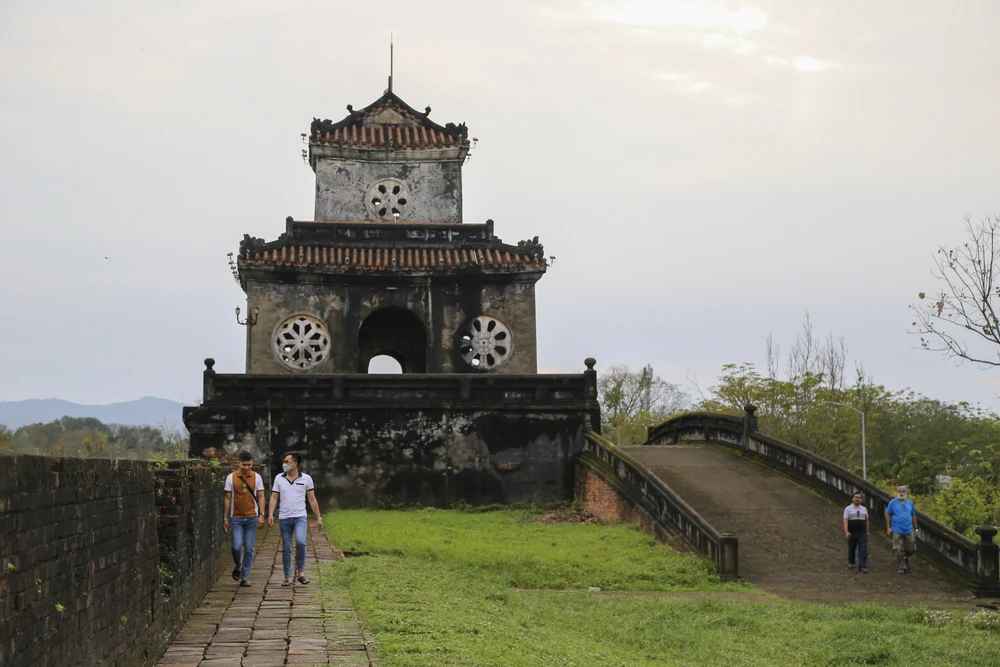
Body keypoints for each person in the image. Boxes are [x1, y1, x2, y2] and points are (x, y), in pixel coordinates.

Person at [268, 451, 323, 586]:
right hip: (284, 517)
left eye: (287, 462)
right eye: (284, 462)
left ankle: (301, 572)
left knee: (301, 542)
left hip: (300, 516)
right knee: (286, 547)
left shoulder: (306, 479)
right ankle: (287, 576)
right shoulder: (279, 478)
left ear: (295, 463)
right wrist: (269, 514)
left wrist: (318, 517)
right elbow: (274, 497)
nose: (284, 465)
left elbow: (312, 499)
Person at [223, 451, 265, 587]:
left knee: (249, 548)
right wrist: (225, 517)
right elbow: (228, 498)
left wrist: (262, 514)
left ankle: (245, 577)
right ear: (238, 463)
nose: (247, 467)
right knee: (236, 546)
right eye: (244, 465)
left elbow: (261, 496)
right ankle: (238, 565)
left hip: (252, 517)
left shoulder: (257, 477)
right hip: (237, 517)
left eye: (249, 465)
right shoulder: (231, 478)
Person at [885, 485, 920, 575]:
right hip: (896, 529)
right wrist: (888, 527)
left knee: (912, 547)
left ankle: (906, 557)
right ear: (897, 493)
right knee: (897, 548)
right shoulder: (892, 503)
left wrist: (916, 528)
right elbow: (888, 514)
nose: (901, 493)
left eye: (903, 492)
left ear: (906, 493)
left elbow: (913, 515)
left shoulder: (910, 503)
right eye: (899, 491)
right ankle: (902, 566)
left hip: (909, 529)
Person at [843, 491, 870, 573]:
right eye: (856, 497)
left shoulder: (864, 509)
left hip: (862, 532)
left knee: (863, 549)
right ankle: (851, 561)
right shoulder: (848, 509)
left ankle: (862, 566)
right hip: (852, 532)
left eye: (859, 497)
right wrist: (846, 531)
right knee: (852, 547)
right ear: (852, 499)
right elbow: (845, 520)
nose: (857, 499)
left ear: (861, 500)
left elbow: (867, 521)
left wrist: (867, 532)